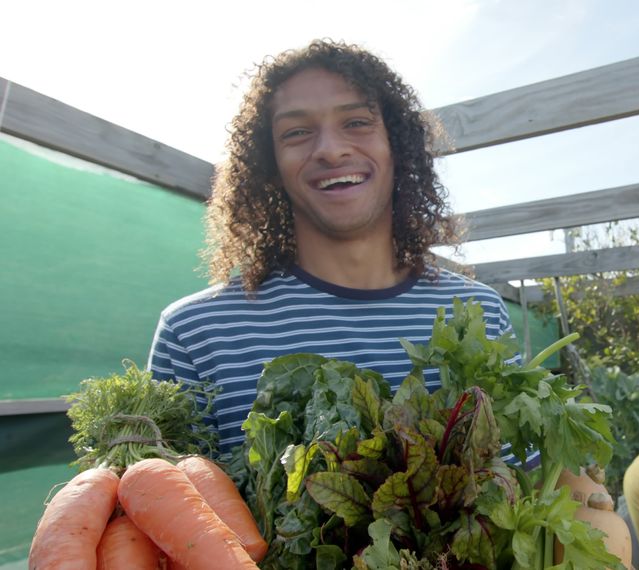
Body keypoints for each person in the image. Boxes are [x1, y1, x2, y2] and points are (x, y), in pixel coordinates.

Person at [146, 39, 533, 465]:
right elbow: (160, 504)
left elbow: (522, 483)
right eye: (297, 132)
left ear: (397, 148)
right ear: (270, 167)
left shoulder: (480, 313)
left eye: (357, 122)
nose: (330, 149)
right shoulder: (196, 334)